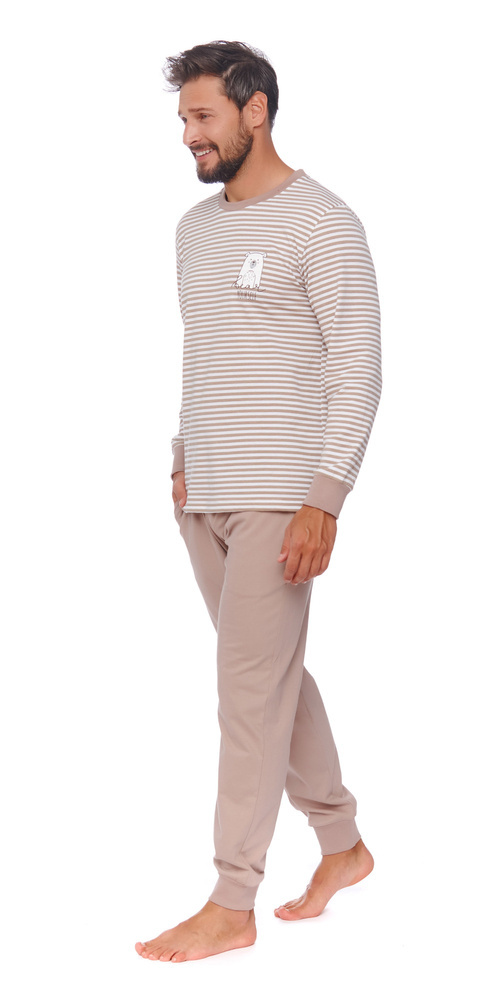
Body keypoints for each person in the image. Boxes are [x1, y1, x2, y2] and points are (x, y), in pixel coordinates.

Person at [135, 40, 382, 964]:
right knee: (271, 680)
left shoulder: (324, 223)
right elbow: (211, 354)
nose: (188, 137)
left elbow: (358, 368)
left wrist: (326, 498)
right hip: (205, 494)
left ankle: (231, 900)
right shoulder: (192, 231)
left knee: (246, 693)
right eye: (182, 120)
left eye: (202, 117)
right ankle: (343, 844)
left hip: (281, 497)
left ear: (256, 110)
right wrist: (183, 455)